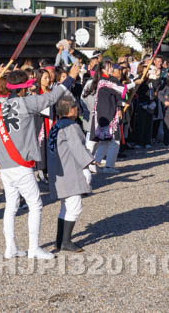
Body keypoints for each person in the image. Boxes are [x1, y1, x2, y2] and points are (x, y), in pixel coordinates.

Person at [0, 69, 66, 259]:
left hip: (5, 164)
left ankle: (11, 247)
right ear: (23, 88)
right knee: (35, 204)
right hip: (21, 164)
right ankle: (33, 248)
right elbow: (52, 97)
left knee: (11, 206)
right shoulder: (26, 103)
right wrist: (69, 79)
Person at [48, 95, 94, 253]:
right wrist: (87, 166)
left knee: (65, 207)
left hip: (58, 169)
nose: (77, 109)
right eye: (75, 106)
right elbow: (77, 148)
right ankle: (66, 241)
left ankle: (60, 240)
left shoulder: (56, 125)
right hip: (69, 170)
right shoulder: (71, 126)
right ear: (69, 110)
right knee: (74, 206)